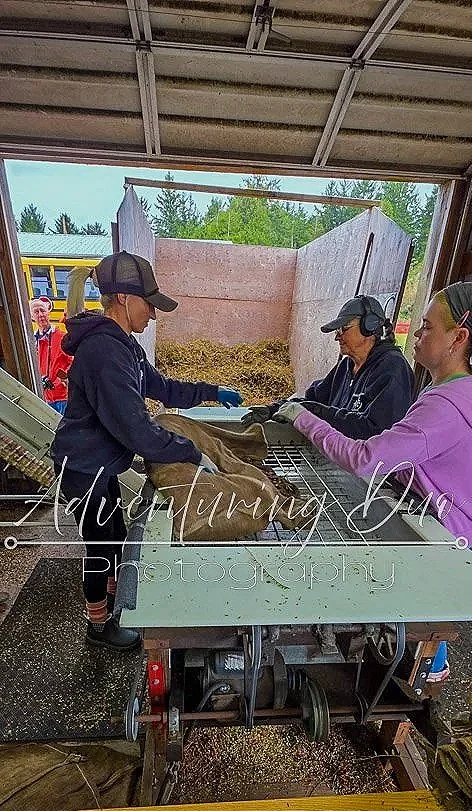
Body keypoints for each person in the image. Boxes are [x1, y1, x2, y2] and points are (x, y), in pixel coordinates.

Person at [274, 282, 472, 683]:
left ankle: (426, 672)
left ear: (459, 338)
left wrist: (302, 418)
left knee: (426, 619)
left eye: (428, 327)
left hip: (443, 537)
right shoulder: (450, 389)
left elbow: (367, 457)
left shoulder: (445, 403)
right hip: (427, 511)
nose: (416, 333)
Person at [51, 250, 243, 652]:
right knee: (100, 544)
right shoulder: (104, 352)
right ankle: (98, 625)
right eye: (149, 304)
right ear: (123, 298)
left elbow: (161, 387)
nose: (153, 315)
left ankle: (119, 602)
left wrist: (210, 392)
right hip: (84, 467)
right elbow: (137, 430)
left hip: (101, 463)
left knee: (116, 534)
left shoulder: (125, 346)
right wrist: (190, 453)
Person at [241, 295, 415, 439]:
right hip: (337, 459)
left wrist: (315, 412)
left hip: (371, 475)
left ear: (369, 327)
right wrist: (275, 408)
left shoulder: (392, 368)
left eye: (344, 329)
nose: (337, 337)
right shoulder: (346, 366)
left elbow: (376, 431)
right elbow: (314, 400)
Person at [30, 297, 72, 414]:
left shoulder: (62, 337)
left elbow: (73, 361)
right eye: (36, 312)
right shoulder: (32, 341)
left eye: (42, 310)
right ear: (32, 317)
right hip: (45, 397)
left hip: (63, 396)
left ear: (48, 312)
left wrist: (62, 379)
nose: (40, 315)